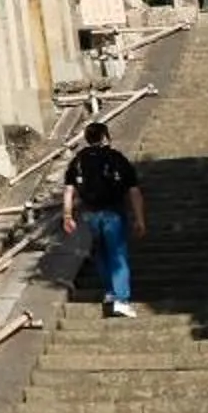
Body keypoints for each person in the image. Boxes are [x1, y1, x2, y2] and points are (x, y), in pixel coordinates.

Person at [62, 120, 147, 317]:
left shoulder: (78, 160)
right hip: (113, 211)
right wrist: (139, 218)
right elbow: (133, 191)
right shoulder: (116, 158)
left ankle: (109, 291)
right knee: (118, 255)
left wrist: (67, 215)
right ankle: (121, 299)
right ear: (105, 137)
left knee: (101, 253)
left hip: (90, 214)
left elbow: (69, 190)